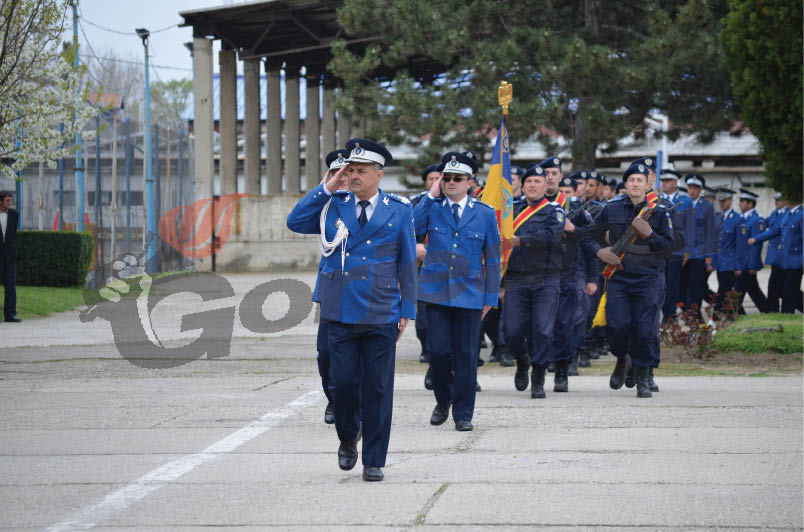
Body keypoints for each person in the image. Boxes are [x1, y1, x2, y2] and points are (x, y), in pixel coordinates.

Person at [286, 138, 417, 482]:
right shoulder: (333, 205)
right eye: (349, 170)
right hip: (339, 309)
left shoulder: (399, 209)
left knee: (377, 388)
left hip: (381, 310)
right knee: (342, 383)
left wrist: (408, 310)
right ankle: (348, 436)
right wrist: (326, 187)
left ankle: (374, 459)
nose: (352, 176)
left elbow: (406, 263)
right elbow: (295, 221)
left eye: (359, 170)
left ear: (378, 174)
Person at [414, 151, 500, 430]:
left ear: (470, 182)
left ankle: (464, 414)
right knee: (438, 352)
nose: (451, 182)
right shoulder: (431, 207)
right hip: (436, 293)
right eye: (446, 177)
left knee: (466, 355)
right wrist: (430, 195)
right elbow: (410, 228)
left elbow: (493, 257)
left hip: (470, 295)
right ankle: (443, 399)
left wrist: (490, 297)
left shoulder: (484, 214)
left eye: (457, 178)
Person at [590, 163, 673, 398]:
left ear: (648, 184)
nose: (635, 184)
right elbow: (589, 236)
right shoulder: (611, 209)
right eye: (631, 180)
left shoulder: (660, 211)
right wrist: (600, 252)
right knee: (618, 328)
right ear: (625, 184)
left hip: (649, 279)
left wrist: (650, 234)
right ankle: (622, 358)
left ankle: (643, 377)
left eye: (640, 180)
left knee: (645, 330)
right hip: (619, 279)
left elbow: (669, 248)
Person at [504, 164, 563, 398]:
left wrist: (521, 241)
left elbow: (552, 237)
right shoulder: (511, 209)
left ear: (546, 185)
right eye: (529, 181)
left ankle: (538, 375)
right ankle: (522, 360)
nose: (532, 185)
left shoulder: (554, 211)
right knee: (512, 331)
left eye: (537, 181)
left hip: (545, 279)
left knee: (543, 330)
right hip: (517, 279)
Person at [542, 157, 597, 391]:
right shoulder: (530, 206)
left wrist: (593, 278)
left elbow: (589, 243)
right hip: (539, 274)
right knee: (541, 325)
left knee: (566, 322)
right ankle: (540, 362)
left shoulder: (575, 209)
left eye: (555, 173)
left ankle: (563, 366)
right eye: (547, 173)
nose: (551, 177)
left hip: (569, 273)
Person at [315, 149, 351, 424]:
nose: (343, 178)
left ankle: (348, 402)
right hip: (331, 292)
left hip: (364, 292)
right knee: (325, 354)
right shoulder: (326, 204)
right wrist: (325, 189)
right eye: (337, 173)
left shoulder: (369, 203)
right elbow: (295, 219)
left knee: (353, 356)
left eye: (347, 172)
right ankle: (332, 398)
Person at [411, 164, 442, 366]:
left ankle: (436, 357)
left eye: (438, 178)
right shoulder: (417, 202)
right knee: (422, 319)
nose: (435, 182)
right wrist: (415, 246)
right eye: (431, 178)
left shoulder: (450, 202)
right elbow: (407, 229)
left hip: (445, 269)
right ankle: (425, 348)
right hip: (421, 267)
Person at [750, 202, 803, 313]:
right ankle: (782, 315)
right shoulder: (788, 214)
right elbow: (775, 231)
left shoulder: (801, 215)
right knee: (785, 292)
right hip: (785, 261)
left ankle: (786, 316)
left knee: (789, 293)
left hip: (796, 262)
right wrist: (756, 239)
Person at [659, 168, 693, 322]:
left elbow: (690, 228)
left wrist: (687, 251)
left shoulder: (685, 201)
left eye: (667, 181)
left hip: (677, 251)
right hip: (659, 250)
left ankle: (669, 317)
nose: (664, 184)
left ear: (675, 183)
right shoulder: (655, 200)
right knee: (658, 284)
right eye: (662, 181)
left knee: (672, 285)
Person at [682, 174, 716, 318]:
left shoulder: (707, 207)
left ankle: (695, 317)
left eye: (695, 188)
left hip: (699, 254)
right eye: (690, 188)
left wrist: (709, 256)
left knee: (696, 287)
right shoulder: (682, 204)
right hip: (683, 254)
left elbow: (711, 233)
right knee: (683, 287)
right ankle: (687, 314)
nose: (692, 191)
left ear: (700, 190)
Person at [734, 188, 769, 313]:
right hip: (741, 262)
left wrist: (752, 265)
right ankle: (768, 311)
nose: (740, 203)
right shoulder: (741, 218)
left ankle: (734, 314)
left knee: (737, 292)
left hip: (748, 264)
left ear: (750, 203)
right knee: (753, 291)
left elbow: (756, 245)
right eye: (741, 200)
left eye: (743, 201)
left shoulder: (756, 220)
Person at [713, 188, 740, 313]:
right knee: (726, 292)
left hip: (730, 262)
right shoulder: (718, 217)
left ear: (730, 200)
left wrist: (738, 265)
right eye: (720, 201)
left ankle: (717, 314)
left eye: (724, 201)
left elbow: (740, 245)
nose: (722, 203)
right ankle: (733, 314)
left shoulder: (737, 219)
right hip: (720, 262)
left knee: (723, 290)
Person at [762, 193, 789, 312]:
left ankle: (772, 310)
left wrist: (756, 239)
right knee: (778, 287)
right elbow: (765, 222)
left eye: (779, 199)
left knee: (776, 286)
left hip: (781, 256)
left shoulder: (787, 214)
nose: (776, 202)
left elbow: (772, 231)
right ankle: (772, 310)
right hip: (774, 256)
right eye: (775, 199)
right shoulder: (775, 213)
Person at [0, 191, 20, 323]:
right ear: (0, 201)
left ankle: (10, 314)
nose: (9, 203)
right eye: (7, 200)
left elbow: (12, 235)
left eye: (10, 200)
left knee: (11, 286)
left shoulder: (14, 214)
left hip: (9, 257)